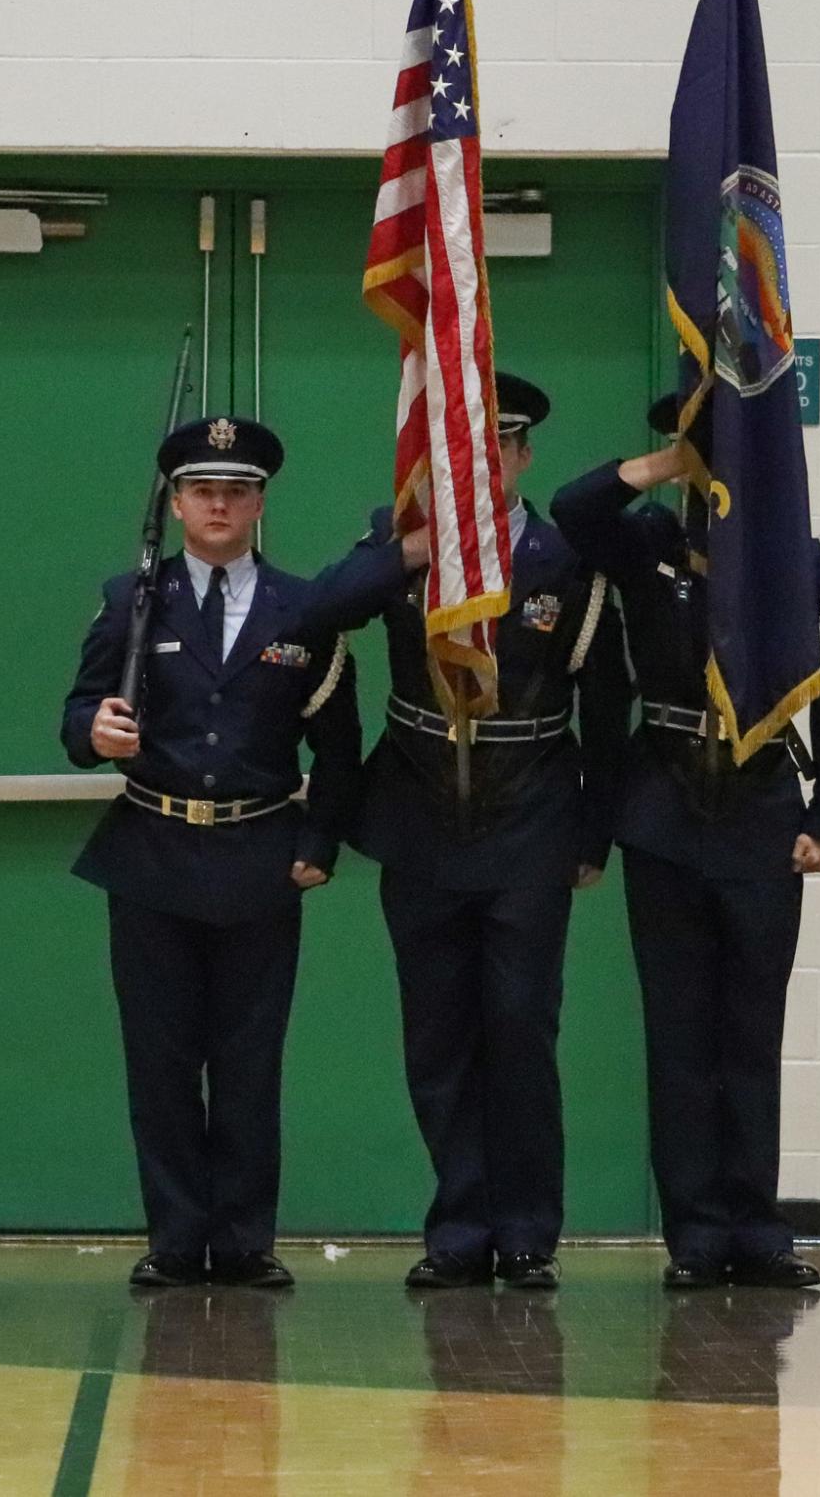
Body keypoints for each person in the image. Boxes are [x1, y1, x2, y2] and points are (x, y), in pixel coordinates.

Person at [295, 373, 629, 1292]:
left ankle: (525, 1231)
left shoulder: (564, 565)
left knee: (520, 1029)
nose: (483, 466)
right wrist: (411, 549)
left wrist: (592, 836)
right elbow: (319, 610)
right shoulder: (397, 545)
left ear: (522, 456)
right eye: (463, 453)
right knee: (438, 1036)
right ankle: (457, 1228)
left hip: (529, 819)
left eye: (501, 449)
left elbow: (606, 712)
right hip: (420, 815)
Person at [549, 392, 820, 1292]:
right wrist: (661, 465)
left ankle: (756, 1227)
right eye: (709, 444)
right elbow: (573, 508)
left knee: (751, 1035)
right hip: (666, 812)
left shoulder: (794, 559)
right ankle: (694, 1232)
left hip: (762, 812)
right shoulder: (646, 545)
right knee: (680, 1037)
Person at [62, 415, 361, 1290]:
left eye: (236, 490)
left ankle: (241, 1239)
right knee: (158, 1062)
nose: (219, 504)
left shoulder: (303, 609)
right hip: (152, 854)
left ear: (260, 502)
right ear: (177, 503)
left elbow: (338, 747)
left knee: (248, 1062)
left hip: (261, 857)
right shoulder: (131, 600)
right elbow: (78, 714)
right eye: (202, 490)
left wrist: (320, 843)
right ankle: (175, 1237)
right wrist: (97, 732)